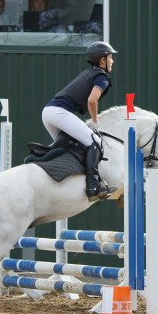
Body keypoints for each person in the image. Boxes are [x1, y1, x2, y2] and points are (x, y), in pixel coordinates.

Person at [41, 41, 117, 201]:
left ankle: (58, 178)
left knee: (70, 147)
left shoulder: (89, 73)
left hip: (48, 112)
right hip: (59, 113)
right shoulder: (102, 77)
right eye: (110, 57)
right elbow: (92, 101)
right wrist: (95, 122)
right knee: (95, 142)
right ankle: (93, 187)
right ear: (102, 60)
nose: (112, 61)